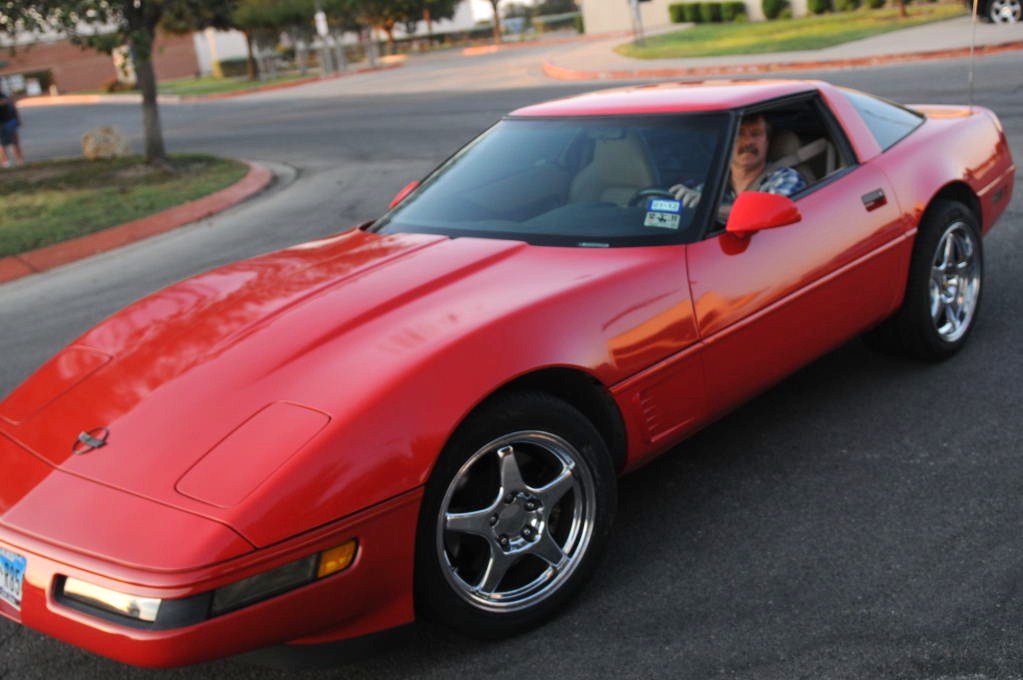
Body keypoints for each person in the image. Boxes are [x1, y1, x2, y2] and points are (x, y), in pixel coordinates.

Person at [670, 114, 805, 211]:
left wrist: (710, 209)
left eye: (756, 134)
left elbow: (770, 213)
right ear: (726, 143)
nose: (748, 142)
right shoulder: (711, 186)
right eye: (739, 134)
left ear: (767, 143)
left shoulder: (785, 178)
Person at [0, 89, 25, 167]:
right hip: (2, 123)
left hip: (10, 121)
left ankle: (20, 161)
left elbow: (13, 107)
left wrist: (17, 119)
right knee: (2, 144)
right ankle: (5, 162)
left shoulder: (4, 94)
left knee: (15, 142)